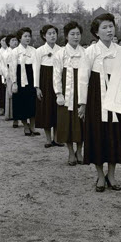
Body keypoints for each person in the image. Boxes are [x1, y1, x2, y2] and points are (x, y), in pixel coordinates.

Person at [79, 13, 121, 192]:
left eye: (111, 26)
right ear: (96, 32)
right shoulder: (91, 51)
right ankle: (100, 175)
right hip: (96, 96)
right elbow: (83, 78)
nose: (109, 30)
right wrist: (82, 103)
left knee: (115, 134)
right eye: (105, 27)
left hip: (116, 97)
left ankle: (112, 174)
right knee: (98, 134)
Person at [53, 21, 85, 165]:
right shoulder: (60, 53)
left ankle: (80, 151)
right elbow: (56, 75)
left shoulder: (85, 52)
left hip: (81, 91)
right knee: (67, 122)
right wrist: (59, 93)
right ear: (66, 36)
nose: (76, 37)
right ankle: (71, 152)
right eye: (72, 34)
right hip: (66, 92)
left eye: (78, 34)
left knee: (81, 121)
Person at [34, 25, 63, 148]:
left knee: (57, 109)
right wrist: (37, 87)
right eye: (49, 33)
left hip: (58, 80)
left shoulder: (61, 50)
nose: (52, 36)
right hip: (45, 81)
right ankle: (47, 139)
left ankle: (57, 138)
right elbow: (36, 69)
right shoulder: (39, 51)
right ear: (44, 36)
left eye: (54, 33)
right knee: (46, 109)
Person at [11, 27, 40, 136]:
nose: (28, 38)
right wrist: (14, 82)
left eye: (29, 36)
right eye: (25, 36)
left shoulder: (33, 50)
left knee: (32, 103)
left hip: (31, 77)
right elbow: (12, 68)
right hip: (20, 78)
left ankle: (32, 126)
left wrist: (37, 83)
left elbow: (37, 67)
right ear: (20, 38)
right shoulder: (15, 52)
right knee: (21, 103)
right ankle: (25, 126)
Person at [4, 34, 19, 127]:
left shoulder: (19, 51)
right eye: (13, 40)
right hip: (10, 75)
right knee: (12, 96)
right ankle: (14, 118)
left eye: (16, 40)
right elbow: (5, 66)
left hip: (20, 74)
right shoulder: (7, 53)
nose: (15, 42)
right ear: (9, 42)